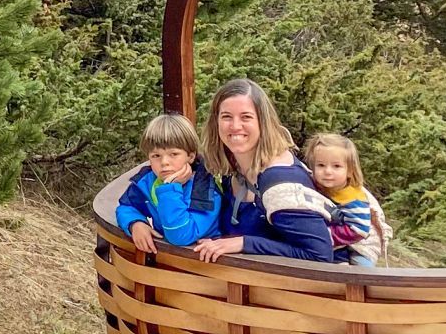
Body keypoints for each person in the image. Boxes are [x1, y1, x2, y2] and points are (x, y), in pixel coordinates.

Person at [191, 77, 336, 262]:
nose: (235, 126)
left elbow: (320, 256)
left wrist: (244, 243)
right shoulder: (232, 169)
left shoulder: (281, 182)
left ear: (263, 122)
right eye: (226, 116)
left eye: (246, 117)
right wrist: (140, 221)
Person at [113, 113, 221, 253]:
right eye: (156, 156)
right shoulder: (148, 182)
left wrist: (170, 189)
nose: (164, 162)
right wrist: (135, 223)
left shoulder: (205, 189)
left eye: (173, 154)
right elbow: (126, 207)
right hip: (169, 262)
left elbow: (180, 236)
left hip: (205, 266)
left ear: (191, 156)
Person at [305, 132, 389, 266]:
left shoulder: (353, 198)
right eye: (321, 165)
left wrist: (325, 235)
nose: (327, 171)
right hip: (336, 241)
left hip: (360, 242)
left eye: (336, 166)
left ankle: (367, 283)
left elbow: (359, 230)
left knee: (360, 268)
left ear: (350, 171)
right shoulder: (314, 184)